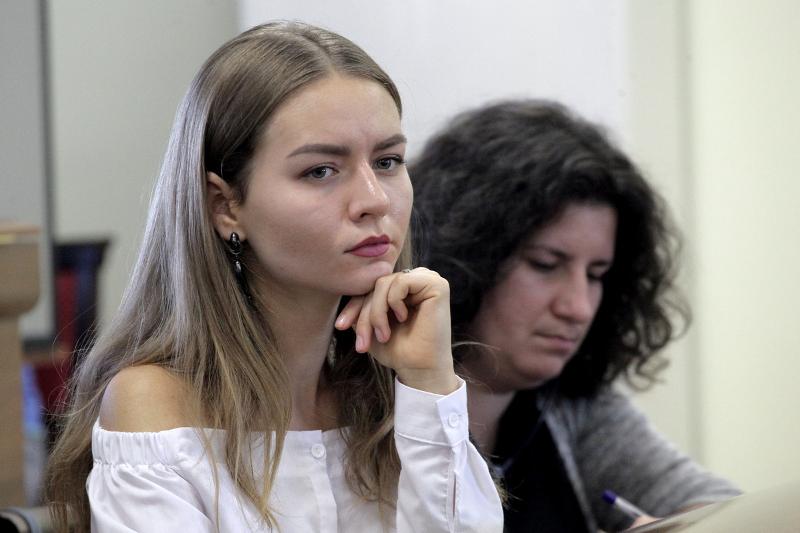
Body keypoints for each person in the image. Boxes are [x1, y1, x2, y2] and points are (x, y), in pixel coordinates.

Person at [45, 22, 503, 532]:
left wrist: (429, 384)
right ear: (225, 206)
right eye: (320, 171)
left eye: (388, 161)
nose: (375, 200)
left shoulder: (388, 394)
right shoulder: (155, 405)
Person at [410, 100, 740, 532]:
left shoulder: (573, 405)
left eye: (597, 274)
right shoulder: (374, 409)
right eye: (545, 265)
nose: (578, 307)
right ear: (470, 255)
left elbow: (726, 510)